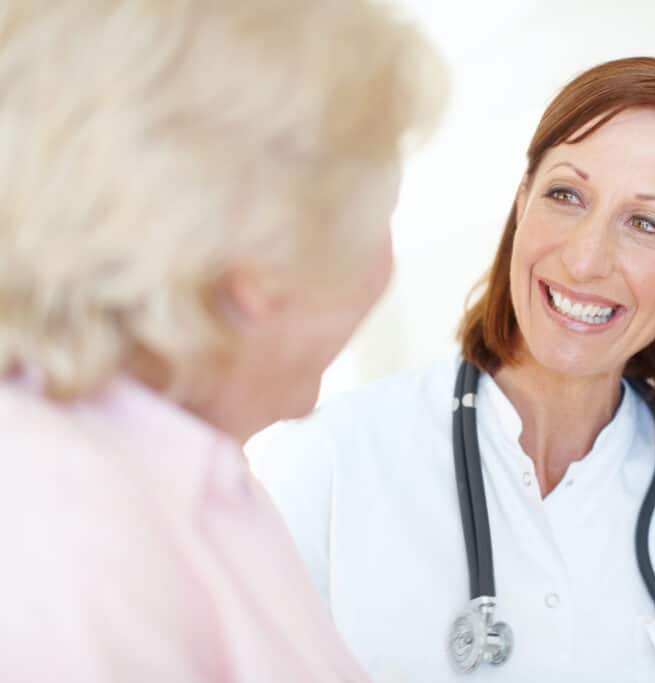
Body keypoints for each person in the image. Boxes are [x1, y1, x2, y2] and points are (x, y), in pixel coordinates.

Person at [249, 57, 655, 682]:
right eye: (566, 195)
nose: (584, 259)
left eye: (647, 224)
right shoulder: (330, 461)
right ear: (523, 201)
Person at [0, 1, 442, 680]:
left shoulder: (198, 471)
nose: (383, 266)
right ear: (264, 263)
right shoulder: (58, 531)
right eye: (379, 214)